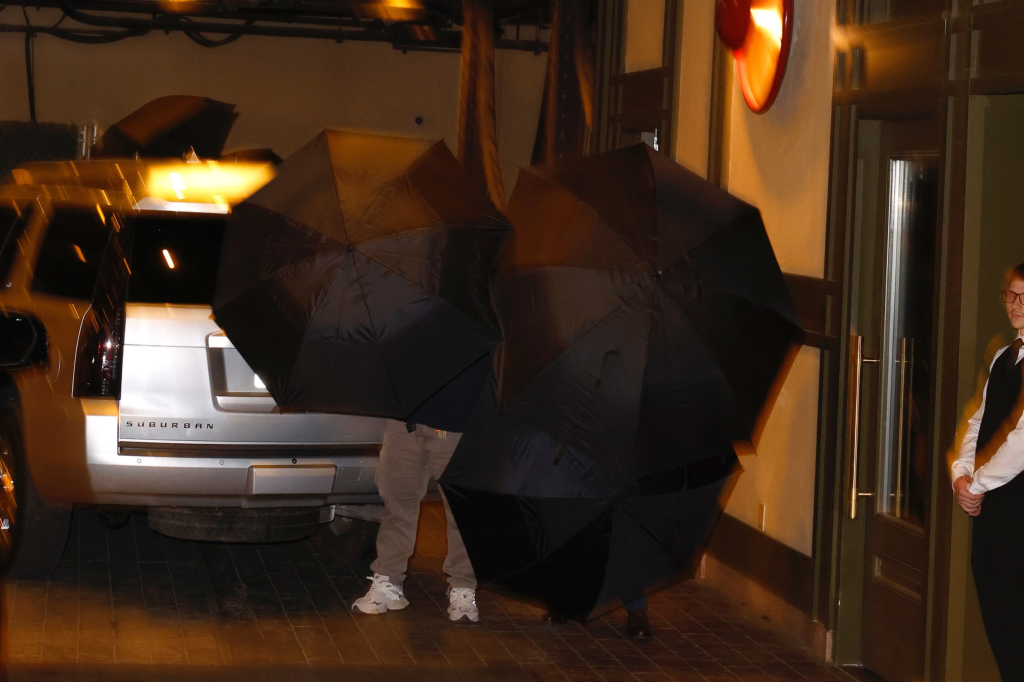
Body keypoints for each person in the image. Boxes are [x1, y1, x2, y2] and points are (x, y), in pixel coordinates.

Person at [952, 263, 1024, 680]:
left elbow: (1021, 442)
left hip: (1017, 512)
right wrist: (961, 474)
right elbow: (977, 421)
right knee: (997, 614)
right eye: (1010, 294)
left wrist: (976, 484)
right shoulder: (1003, 356)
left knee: (1016, 619)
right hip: (992, 512)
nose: (1015, 304)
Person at [352, 420, 479, 623]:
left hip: (454, 422)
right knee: (396, 504)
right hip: (404, 422)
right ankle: (389, 580)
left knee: (461, 508)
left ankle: (463, 586)